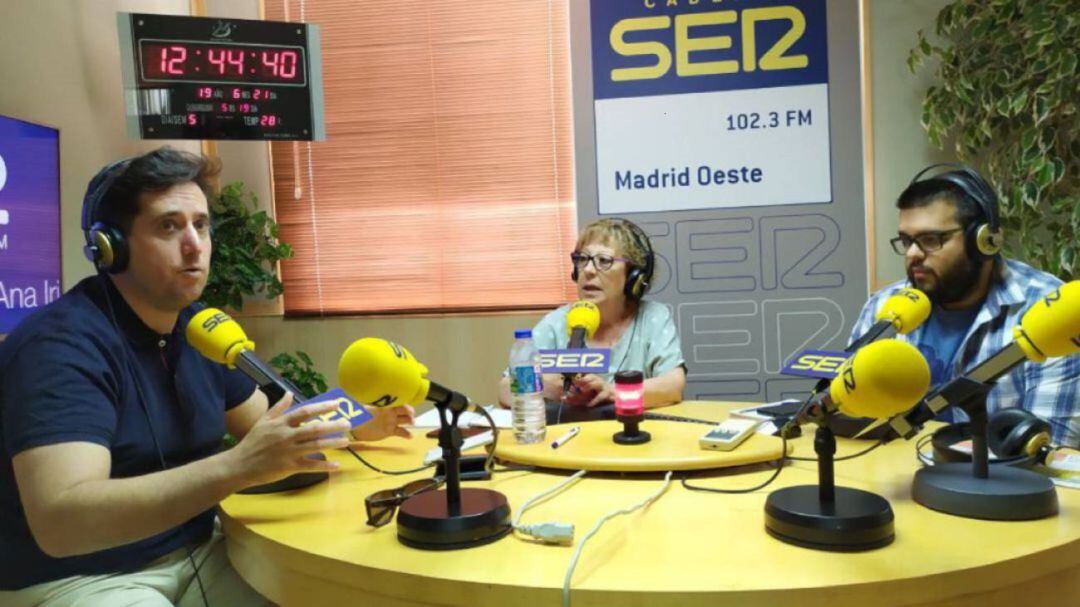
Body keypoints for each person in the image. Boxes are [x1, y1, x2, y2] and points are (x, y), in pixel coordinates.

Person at [0, 147, 414, 605]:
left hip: (201, 553)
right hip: (84, 578)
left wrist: (358, 422)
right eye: (168, 226)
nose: (194, 244)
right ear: (110, 248)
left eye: (201, 224)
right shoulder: (60, 349)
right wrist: (237, 467)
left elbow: (270, 426)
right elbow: (63, 524)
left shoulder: (198, 327)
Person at [850, 164, 1079, 447]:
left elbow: (1051, 449)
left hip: (1001, 485)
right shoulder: (884, 307)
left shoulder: (1051, 314)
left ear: (984, 241)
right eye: (906, 240)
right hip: (895, 481)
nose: (912, 254)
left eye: (930, 240)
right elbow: (853, 414)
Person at [498, 218, 686, 422]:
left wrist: (611, 392)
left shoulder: (652, 318)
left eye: (604, 261)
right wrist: (549, 386)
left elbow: (673, 385)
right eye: (582, 259)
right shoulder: (557, 322)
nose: (587, 270)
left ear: (633, 276)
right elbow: (506, 388)